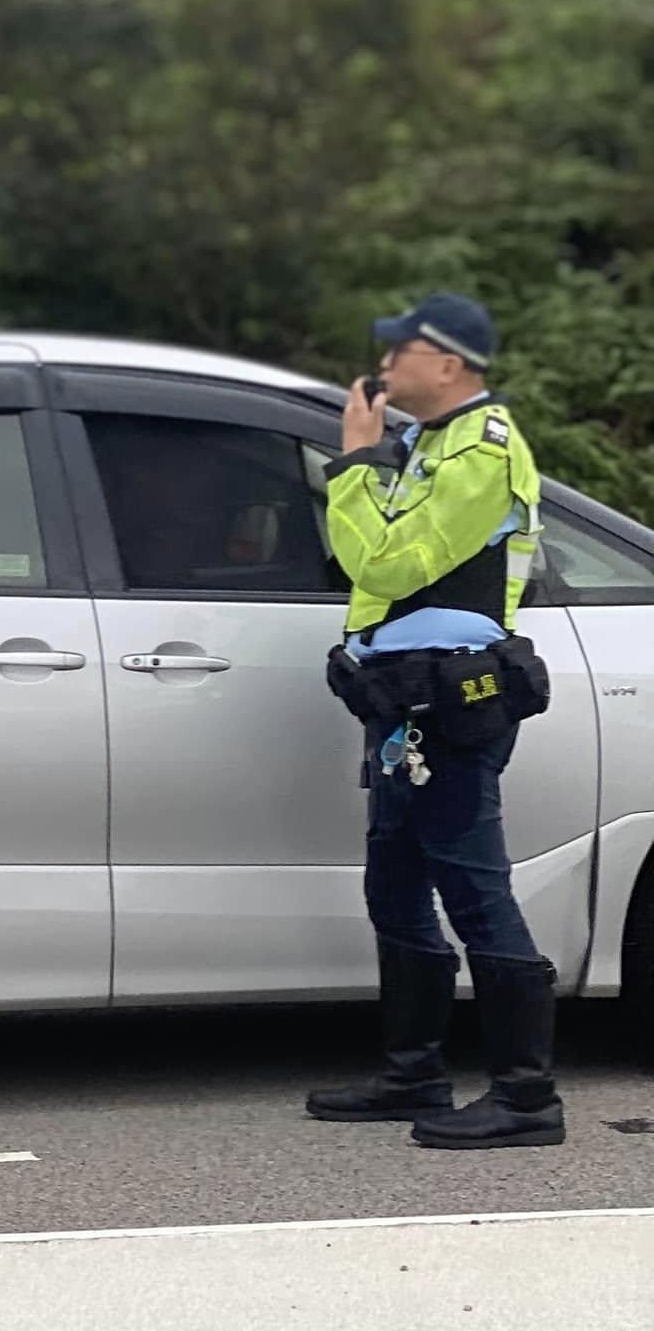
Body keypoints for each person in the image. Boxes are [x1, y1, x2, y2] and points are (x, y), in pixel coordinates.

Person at [306, 291, 563, 1150]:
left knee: (474, 888)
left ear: (447, 365)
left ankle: (527, 1099)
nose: (382, 366)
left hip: (452, 701)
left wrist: (350, 463)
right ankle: (412, 1073)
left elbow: (382, 560)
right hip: (401, 702)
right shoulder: (425, 446)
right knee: (396, 884)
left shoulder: (483, 450)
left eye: (399, 351)